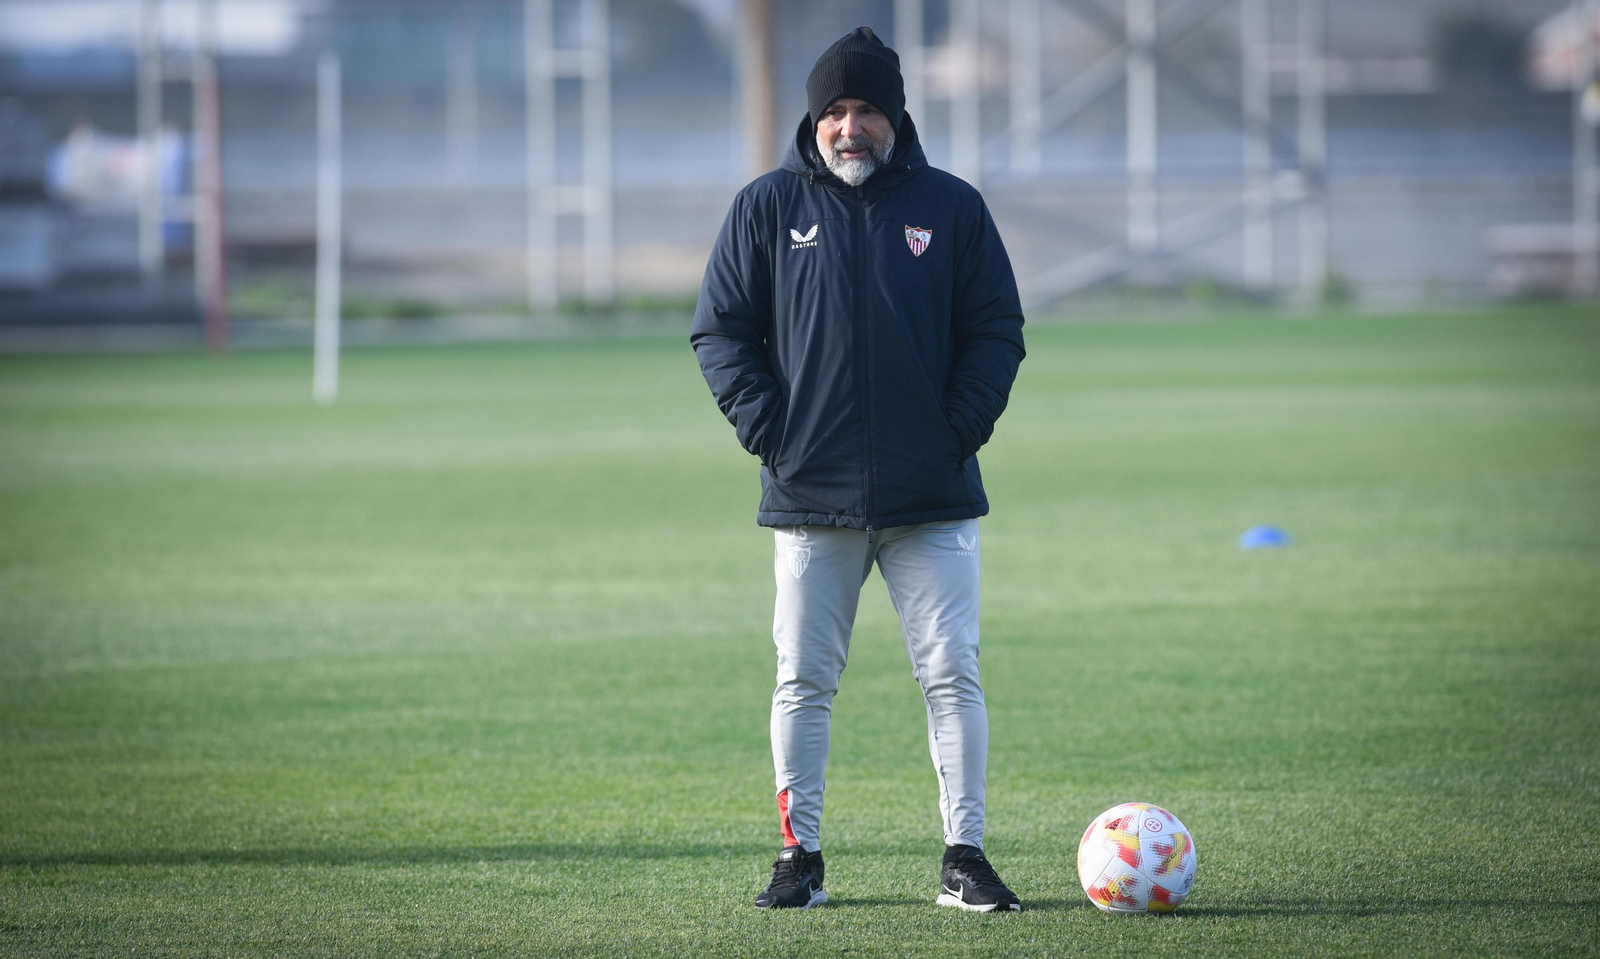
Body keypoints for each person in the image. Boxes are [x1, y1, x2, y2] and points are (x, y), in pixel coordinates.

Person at [691, 26, 1026, 912]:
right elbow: (720, 332)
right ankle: (799, 858)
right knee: (803, 679)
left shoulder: (952, 207)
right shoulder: (766, 207)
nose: (850, 127)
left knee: (952, 673)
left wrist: (957, 429)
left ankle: (965, 855)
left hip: (933, 496)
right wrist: (773, 433)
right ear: (814, 119)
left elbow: (996, 329)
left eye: (867, 108)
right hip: (809, 493)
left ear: (897, 115)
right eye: (835, 110)